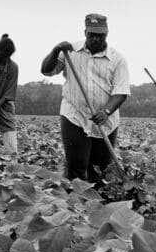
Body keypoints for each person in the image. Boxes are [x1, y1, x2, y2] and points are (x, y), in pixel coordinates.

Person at [40, 13, 130, 184]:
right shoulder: (69, 51)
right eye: (92, 35)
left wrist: (106, 111)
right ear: (85, 32)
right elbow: (46, 70)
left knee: (99, 169)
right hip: (74, 115)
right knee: (76, 167)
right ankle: (76, 205)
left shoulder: (118, 59)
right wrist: (55, 50)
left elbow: (121, 91)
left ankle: (96, 205)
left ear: (107, 34)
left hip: (105, 120)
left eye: (100, 35)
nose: (95, 39)